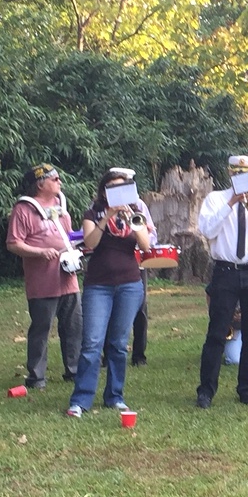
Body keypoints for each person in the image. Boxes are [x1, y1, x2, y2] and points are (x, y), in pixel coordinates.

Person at [196, 155, 248, 408]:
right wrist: (231, 204)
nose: (240, 178)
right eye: (236, 173)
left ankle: (247, 389)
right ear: (230, 174)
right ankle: (206, 391)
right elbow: (207, 231)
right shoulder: (215, 199)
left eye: (246, 173)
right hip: (225, 271)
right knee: (216, 332)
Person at [67, 167, 152, 417]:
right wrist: (108, 217)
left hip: (130, 284)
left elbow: (146, 245)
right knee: (92, 343)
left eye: (122, 188)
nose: (117, 192)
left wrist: (133, 220)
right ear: (104, 191)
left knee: (117, 344)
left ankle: (114, 396)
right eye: (112, 188)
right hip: (98, 285)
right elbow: (90, 243)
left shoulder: (136, 212)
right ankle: (81, 400)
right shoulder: (92, 213)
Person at [5, 163, 82, 389]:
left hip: (68, 278)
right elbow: (13, 243)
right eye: (55, 179)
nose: (60, 182)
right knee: (41, 329)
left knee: (74, 326)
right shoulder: (24, 209)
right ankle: (37, 376)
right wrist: (40, 252)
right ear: (41, 184)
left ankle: (74, 370)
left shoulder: (61, 204)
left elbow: (67, 235)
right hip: (42, 282)